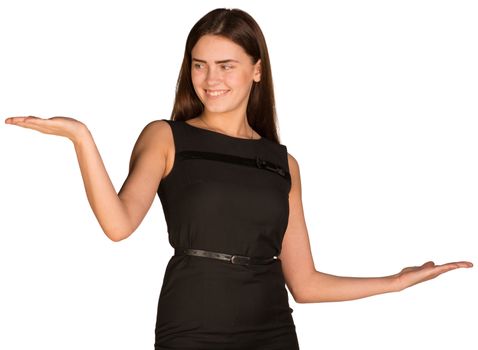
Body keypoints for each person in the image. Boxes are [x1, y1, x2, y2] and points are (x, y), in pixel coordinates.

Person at [4, 7, 472, 350]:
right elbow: (118, 224)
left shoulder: (282, 162)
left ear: (257, 70)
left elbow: (304, 285)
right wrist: (81, 138)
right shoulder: (167, 137)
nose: (210, 79)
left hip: (271, 330)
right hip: (193, 324)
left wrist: (396, 281)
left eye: (226, 65)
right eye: (199, 64)